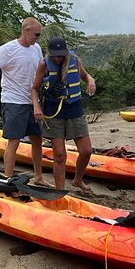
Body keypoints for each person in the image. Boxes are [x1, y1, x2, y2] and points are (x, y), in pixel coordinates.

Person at [0, 17, 52, 187]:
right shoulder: (8, 49)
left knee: (37, 139)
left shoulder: (36, 48)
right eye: (36, 34)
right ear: (26, 31)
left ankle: (38, 176)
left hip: (32, 101)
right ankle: (8, 179)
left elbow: (41, 71)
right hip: (13, 101)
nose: (38, 38)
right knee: (14, 141)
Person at [32, 36, 96, 192]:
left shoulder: (74, 60)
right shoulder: (44, 64)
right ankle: (60, 192)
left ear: (65, 52)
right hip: (54, 112)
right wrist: (37, 107)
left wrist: (90, 80)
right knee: (59, 155)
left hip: (74, 109)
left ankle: (77, 180)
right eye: (54, 54)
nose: (57, 58)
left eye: (60, 54)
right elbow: (34, 88)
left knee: (86, 151)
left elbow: (85, 76)